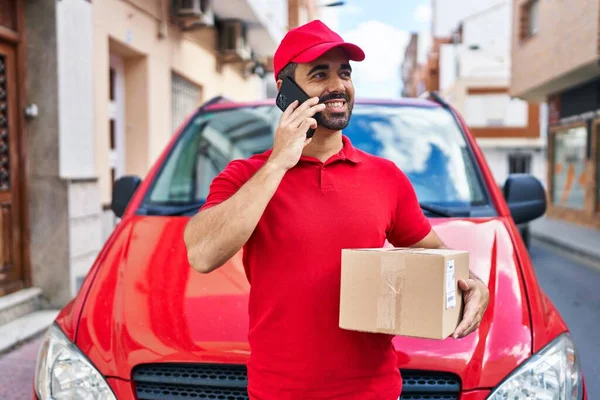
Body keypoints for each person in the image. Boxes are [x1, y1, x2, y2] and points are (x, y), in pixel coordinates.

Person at [184, 19, 490, 400]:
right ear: (285, 92)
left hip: (373, 392)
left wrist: (475, 285)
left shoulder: (386, 177)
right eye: (319, 74)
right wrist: (278, 162)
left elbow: (439, 257)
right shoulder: (246, 175)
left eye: (344, 73)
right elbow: (202, 254)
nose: (338, 86)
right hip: (279, 393)